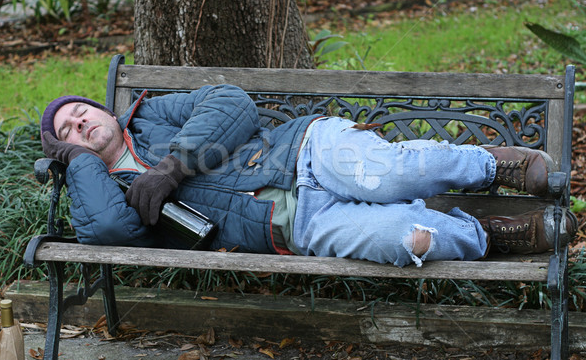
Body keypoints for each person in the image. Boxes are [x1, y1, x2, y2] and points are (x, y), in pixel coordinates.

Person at [39, 84, 577, 267]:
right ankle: (489, 237)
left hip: (304, 151)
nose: (79, 122)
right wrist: (85, 164)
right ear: (66, 150)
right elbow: (110, 233)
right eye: (67, 130)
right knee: (405, 240)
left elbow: (231, 103)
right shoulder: (102, 190)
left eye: (80, 111)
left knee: (386, 175)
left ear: (104, 109)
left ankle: (493, 166)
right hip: (291, 227)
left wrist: (169, 169)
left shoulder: (151, 116)